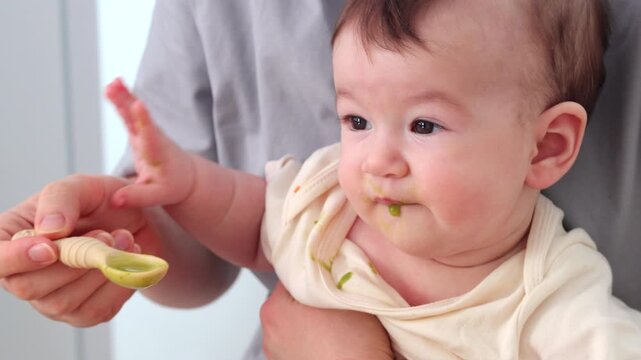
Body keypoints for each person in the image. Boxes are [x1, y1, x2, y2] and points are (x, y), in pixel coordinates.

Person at [0, 0, 640, 358]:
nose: (376, 161)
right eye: (356, 118)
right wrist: (180, 185)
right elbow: (252, 221)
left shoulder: (552, 294)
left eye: (423, 126)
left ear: (546, 147)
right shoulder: (329, 202)